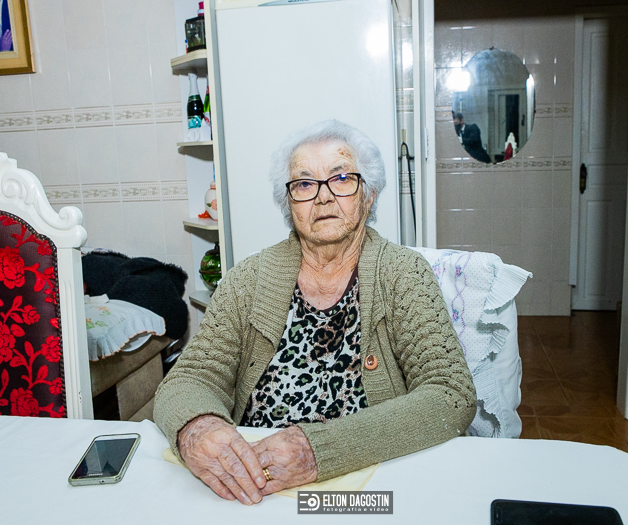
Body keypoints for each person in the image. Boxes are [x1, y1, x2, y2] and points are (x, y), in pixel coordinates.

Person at [154, 119, 477, 505]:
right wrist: (197, 427)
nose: (323, 197)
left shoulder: (404, 274)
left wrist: (317, 451)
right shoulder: (248, 281)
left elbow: (451, 394)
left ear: (368, 195)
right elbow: (189, 379)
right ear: (289, 203)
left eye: (341, 178)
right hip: (252, 489)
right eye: (305, 184)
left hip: (369, 488)